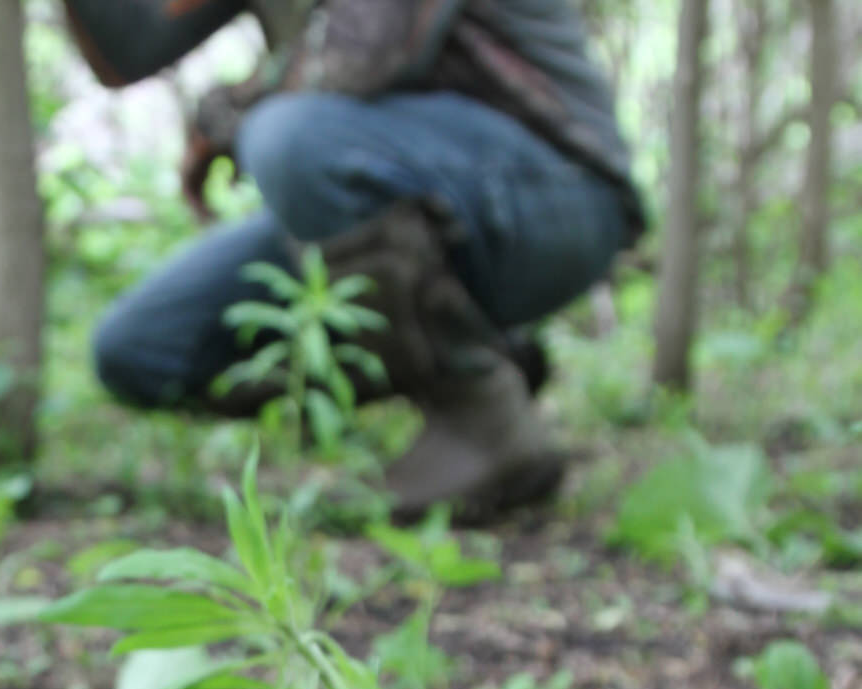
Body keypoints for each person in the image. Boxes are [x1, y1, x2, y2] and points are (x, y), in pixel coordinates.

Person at [62, 0, 643, 523]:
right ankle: (484, 350)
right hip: (384, 188)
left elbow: (358, 59)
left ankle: (480, 411)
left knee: (287, 139)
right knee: (137, 350)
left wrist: (227, 116)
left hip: (557, 194)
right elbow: (130, 47)